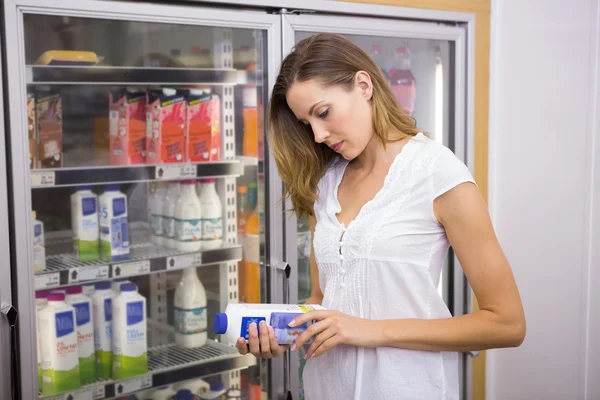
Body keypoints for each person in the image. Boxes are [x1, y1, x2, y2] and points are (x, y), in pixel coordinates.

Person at [236, 33, 526, 400]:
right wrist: (281, 333)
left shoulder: (437, 173)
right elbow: (324, 299)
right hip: (327, 388)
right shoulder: (327, 181)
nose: (319, 134)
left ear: (363, 85)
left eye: (323, 112)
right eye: (307, 123)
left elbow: (508, 323)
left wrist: (372, 330)